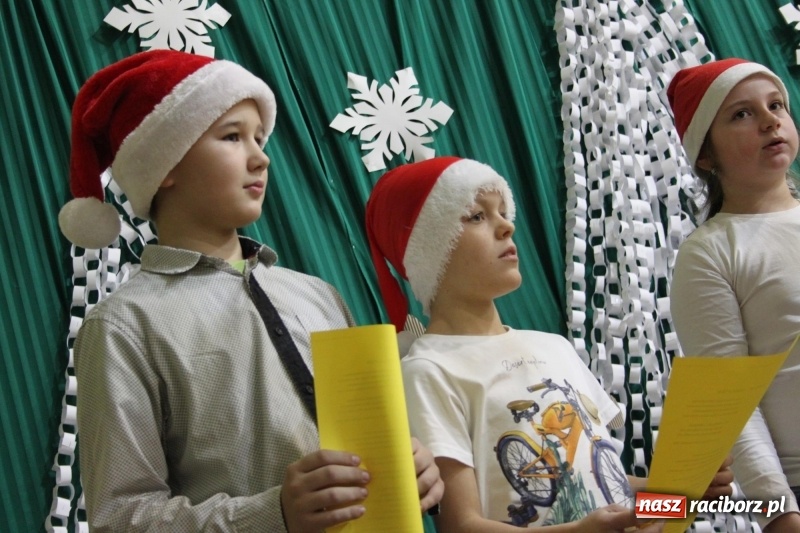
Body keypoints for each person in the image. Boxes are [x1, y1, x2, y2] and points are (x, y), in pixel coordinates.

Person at [62, 49, 442, 532]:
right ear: (167, 163)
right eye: (232, 136)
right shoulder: (123, 326)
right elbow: (120, 519)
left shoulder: (318, 295)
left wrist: (411, 464)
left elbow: (367, 444)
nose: (261, 156)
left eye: (260, 139)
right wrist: (272, 514)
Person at [365, 156, 666, 531]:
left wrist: (678, 497)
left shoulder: (555, 347)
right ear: (428, 251)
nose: (507, 226)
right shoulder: (429, 371)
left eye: (504, 212)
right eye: (476, 216)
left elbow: (615, 490)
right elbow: (460, 525)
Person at [668, 58, 800, 531]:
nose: (770, 120)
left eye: (776, 105)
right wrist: (778, 511)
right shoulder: (711, 253)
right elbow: (730, 405)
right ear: (706, 155)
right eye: (741, 114)